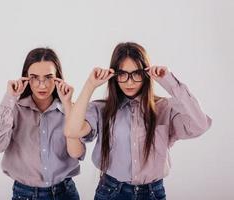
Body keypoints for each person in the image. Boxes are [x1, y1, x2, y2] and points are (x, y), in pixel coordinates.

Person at [64, 42, 212, 200]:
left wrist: (169, 82)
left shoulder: (164, 108)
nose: (129, 82)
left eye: (136, 74)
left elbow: (200, 125)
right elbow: (72, 131)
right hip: (111, 192)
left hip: (153, 193)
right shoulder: (102, 109)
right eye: (122, 74)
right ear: (114, 75)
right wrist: (90, 85)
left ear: (145, 74)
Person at [0, 47, 84, 200]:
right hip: (26, 194)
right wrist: (10, 97)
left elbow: (78, 153)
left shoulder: (69, 109)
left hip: (65, 192)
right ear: (26, 78)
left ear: (58, 78)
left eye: (48, 77)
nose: (42, 85)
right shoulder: (13, 109)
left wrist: (68, 106)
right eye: (34, 77)